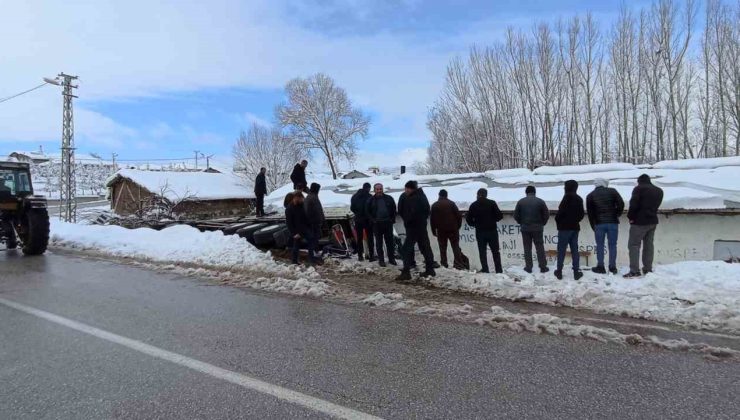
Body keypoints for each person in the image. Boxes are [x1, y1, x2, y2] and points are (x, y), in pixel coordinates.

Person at [624, 174, 664, 278]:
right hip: (653, 221)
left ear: (639, 181)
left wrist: (630, 217)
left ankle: (634, 270)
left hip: (639, 222)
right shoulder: (659, 190)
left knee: (634, 245)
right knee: (649, 246)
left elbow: (633, 205)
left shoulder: (638, 189)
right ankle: (647, 268)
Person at [396, 180, 435, 280]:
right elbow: (427, 210)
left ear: (411, 189)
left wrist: (408, 220)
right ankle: (430, 269)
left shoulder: (412, 198)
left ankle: (406, 272)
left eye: (407, 189)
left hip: (413, 227)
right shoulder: (421, 196)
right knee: (425, 247)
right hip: (421, 226)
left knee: (406, 249)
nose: (406, 191)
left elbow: (407, 212)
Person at [586, 178, 625, 274]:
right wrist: (617, 214)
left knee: (600, 245)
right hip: (613, 223)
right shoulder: (613, 191)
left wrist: (593, 225)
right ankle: (612, 267)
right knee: (612, 245)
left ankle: (600, 266)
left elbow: (590, 214)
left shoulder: (590, 195)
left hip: (599, 224)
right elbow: (621, 204)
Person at [465, 188, 503, 273]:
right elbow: (500, 216)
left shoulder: (474, 205)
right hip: (492, 231)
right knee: (495, 251)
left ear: (478, 195)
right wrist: (493, 220)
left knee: (482, 252)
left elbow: (468, 219)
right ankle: (499, 270)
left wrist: (475, 224)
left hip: (480, 232)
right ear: (486, 195)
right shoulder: (492, 203)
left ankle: (485, 269)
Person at [513, 185, 549, 274]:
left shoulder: (521, 202)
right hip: (537, 228)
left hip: (525, 228)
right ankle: (543, 267)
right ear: (534, 192)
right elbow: (546, 215)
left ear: (526, 192)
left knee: (527, 247)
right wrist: (542, 223)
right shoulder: (540, 201)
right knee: (539, 247)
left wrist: (521, 223)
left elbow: (516, 215)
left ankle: (528, 267)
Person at [554, 180, 585, 280]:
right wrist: (575, 220)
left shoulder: (566, 197)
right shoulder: (579, 199)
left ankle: (559, 271)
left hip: (564, 228)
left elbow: (560, 213)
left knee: (561, 250)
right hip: (575, 227)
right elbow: (581, 215)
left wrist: (558, 222)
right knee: (574, 250)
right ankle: (576, 271)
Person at [430, 189, 463, 269]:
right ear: (446, 195)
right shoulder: (451, 204)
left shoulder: (435, 205)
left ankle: (444, 264)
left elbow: (432, 220)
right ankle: (458, 264)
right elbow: (459, 216)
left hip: (441, 230)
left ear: (439, 195)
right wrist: (457, 227)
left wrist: (434, 231)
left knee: (442, 248)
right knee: (455, 247)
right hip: (453, 229)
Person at [366, 183, 397, 267]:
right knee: (379, 243)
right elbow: (367, 212)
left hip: (387, 223)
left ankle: (391, 259)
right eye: (377, 189)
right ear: (374, 190)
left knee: (390, 242)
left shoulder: (389, 198)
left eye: (380, 189)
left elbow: (394, 209)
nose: (379, 190)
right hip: (377, 224)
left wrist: (392, 219)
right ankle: (381, 260)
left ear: (382, 189)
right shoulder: (370, 200)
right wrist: (373, 220)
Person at [285, 192, 318, 264]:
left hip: (304, 228)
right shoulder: (289, 208)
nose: (302, 200)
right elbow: (289, 223)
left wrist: (309, 224)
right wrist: (294, 233)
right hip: (296, 230)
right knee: (296, 245)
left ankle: (311, 259)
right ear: (296, 198)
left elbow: (305, 217)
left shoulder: (301, 205)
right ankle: (294, 261)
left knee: (311, 240)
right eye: (301, 199)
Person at [351, 182, 375, 262]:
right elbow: (373, 208)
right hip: (368, 221)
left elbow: (352, 208)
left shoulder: (354, 196)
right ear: (368, 188)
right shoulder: (370, 196)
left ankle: (360, 256)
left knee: (359, 239)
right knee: (370, 238)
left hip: (358, 220)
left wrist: (357, 213)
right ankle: (371, 256)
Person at [304, 183, 325, 261]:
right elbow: (313, 211)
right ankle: (313, 255)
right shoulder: (312, 198)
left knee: (315, 239)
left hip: (315, 222)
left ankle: (315, 253)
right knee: (313, 239)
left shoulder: (312, 196)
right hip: (313, 222)